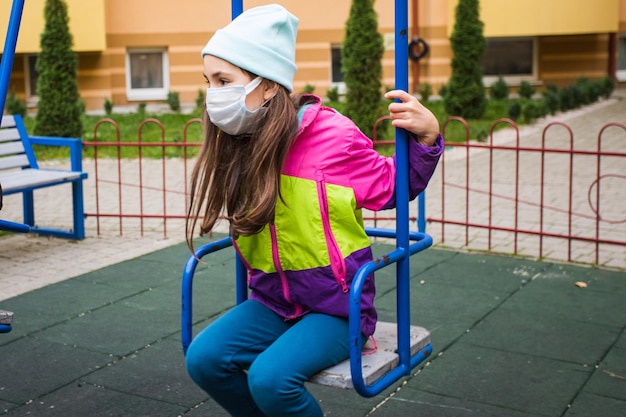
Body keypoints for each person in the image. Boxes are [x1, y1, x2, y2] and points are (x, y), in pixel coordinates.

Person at [184, 4, 444, 417]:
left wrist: (428, 137)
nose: (214, 94)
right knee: (204, 359)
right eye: (209, 81)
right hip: (272, 300)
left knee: (270, 379)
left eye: (224, 81)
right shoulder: (239, 139)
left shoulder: (331, 137)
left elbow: (394, 188)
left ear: (268, 85)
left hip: (337, 307)